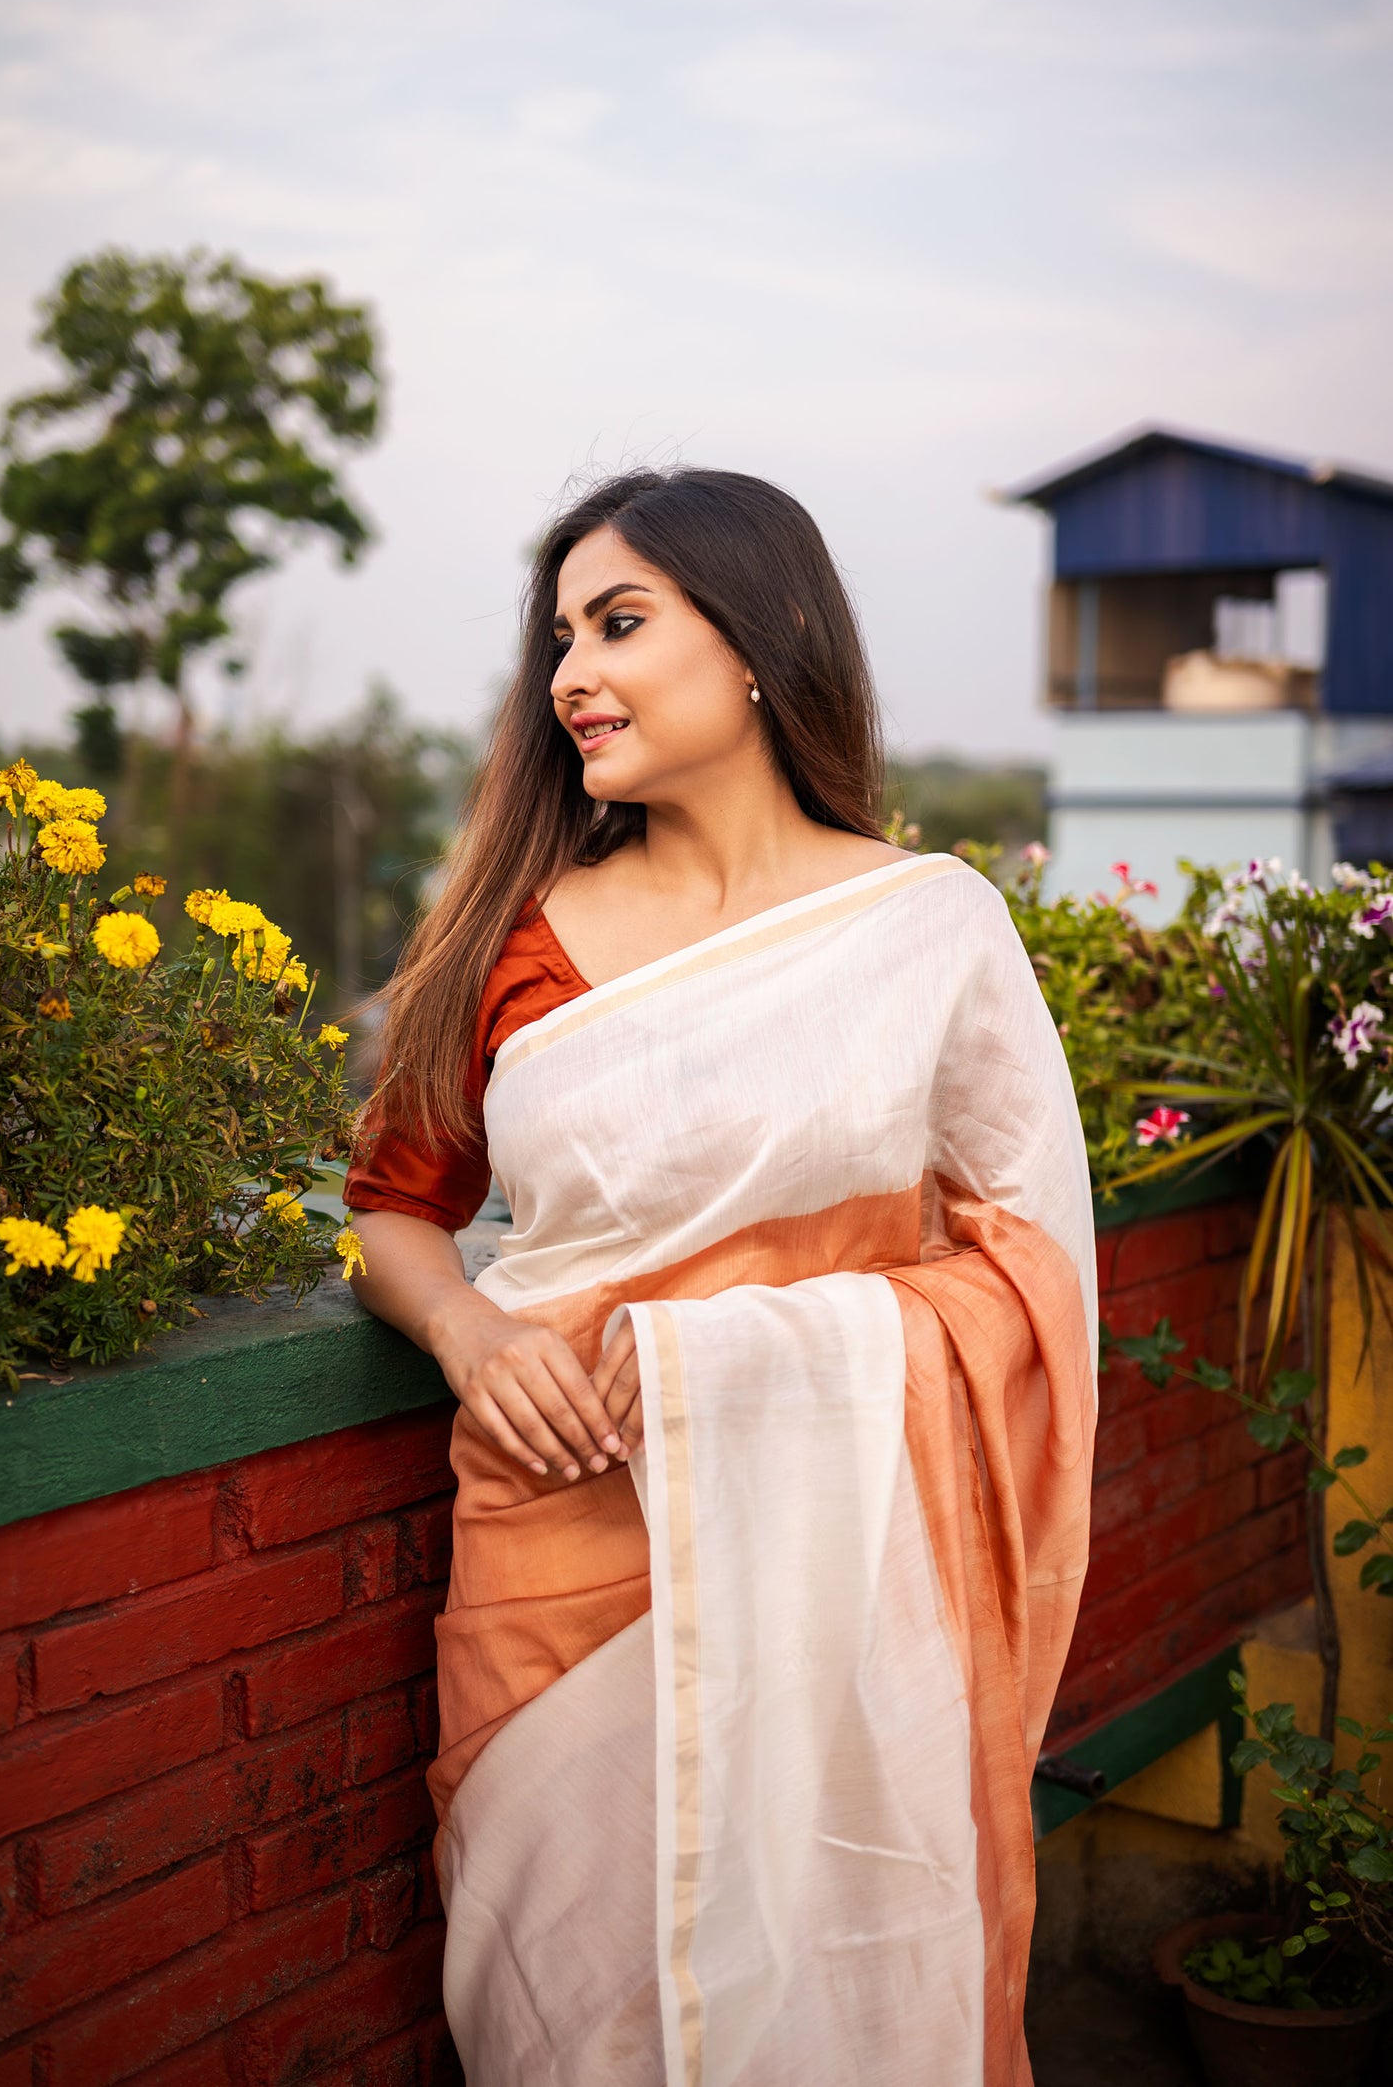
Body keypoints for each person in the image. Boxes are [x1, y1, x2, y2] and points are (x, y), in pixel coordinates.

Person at [344, 467, 1097, 2087]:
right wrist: (469, 1328)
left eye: (619, 623)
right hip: (552, 1551)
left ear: (760, 641)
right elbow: (395, 1207)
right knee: (571, 2012)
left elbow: (1027, 1262)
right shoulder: (512, 934)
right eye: (559, 637)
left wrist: (752, 1357)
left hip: (840, 1567)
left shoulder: (928, 927)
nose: (569, 676)